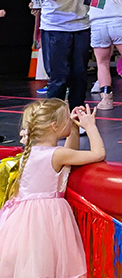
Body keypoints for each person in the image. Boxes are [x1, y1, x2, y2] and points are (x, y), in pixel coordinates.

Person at [0, 99, 106, 277]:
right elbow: (99, 154)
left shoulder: (33, 151)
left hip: (24, 219)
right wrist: (90, 126)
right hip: (46, 220)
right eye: (67, 119)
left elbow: (69, 154)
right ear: (54, 126)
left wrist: (72, 127)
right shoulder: (56, 154)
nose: (70, 120)